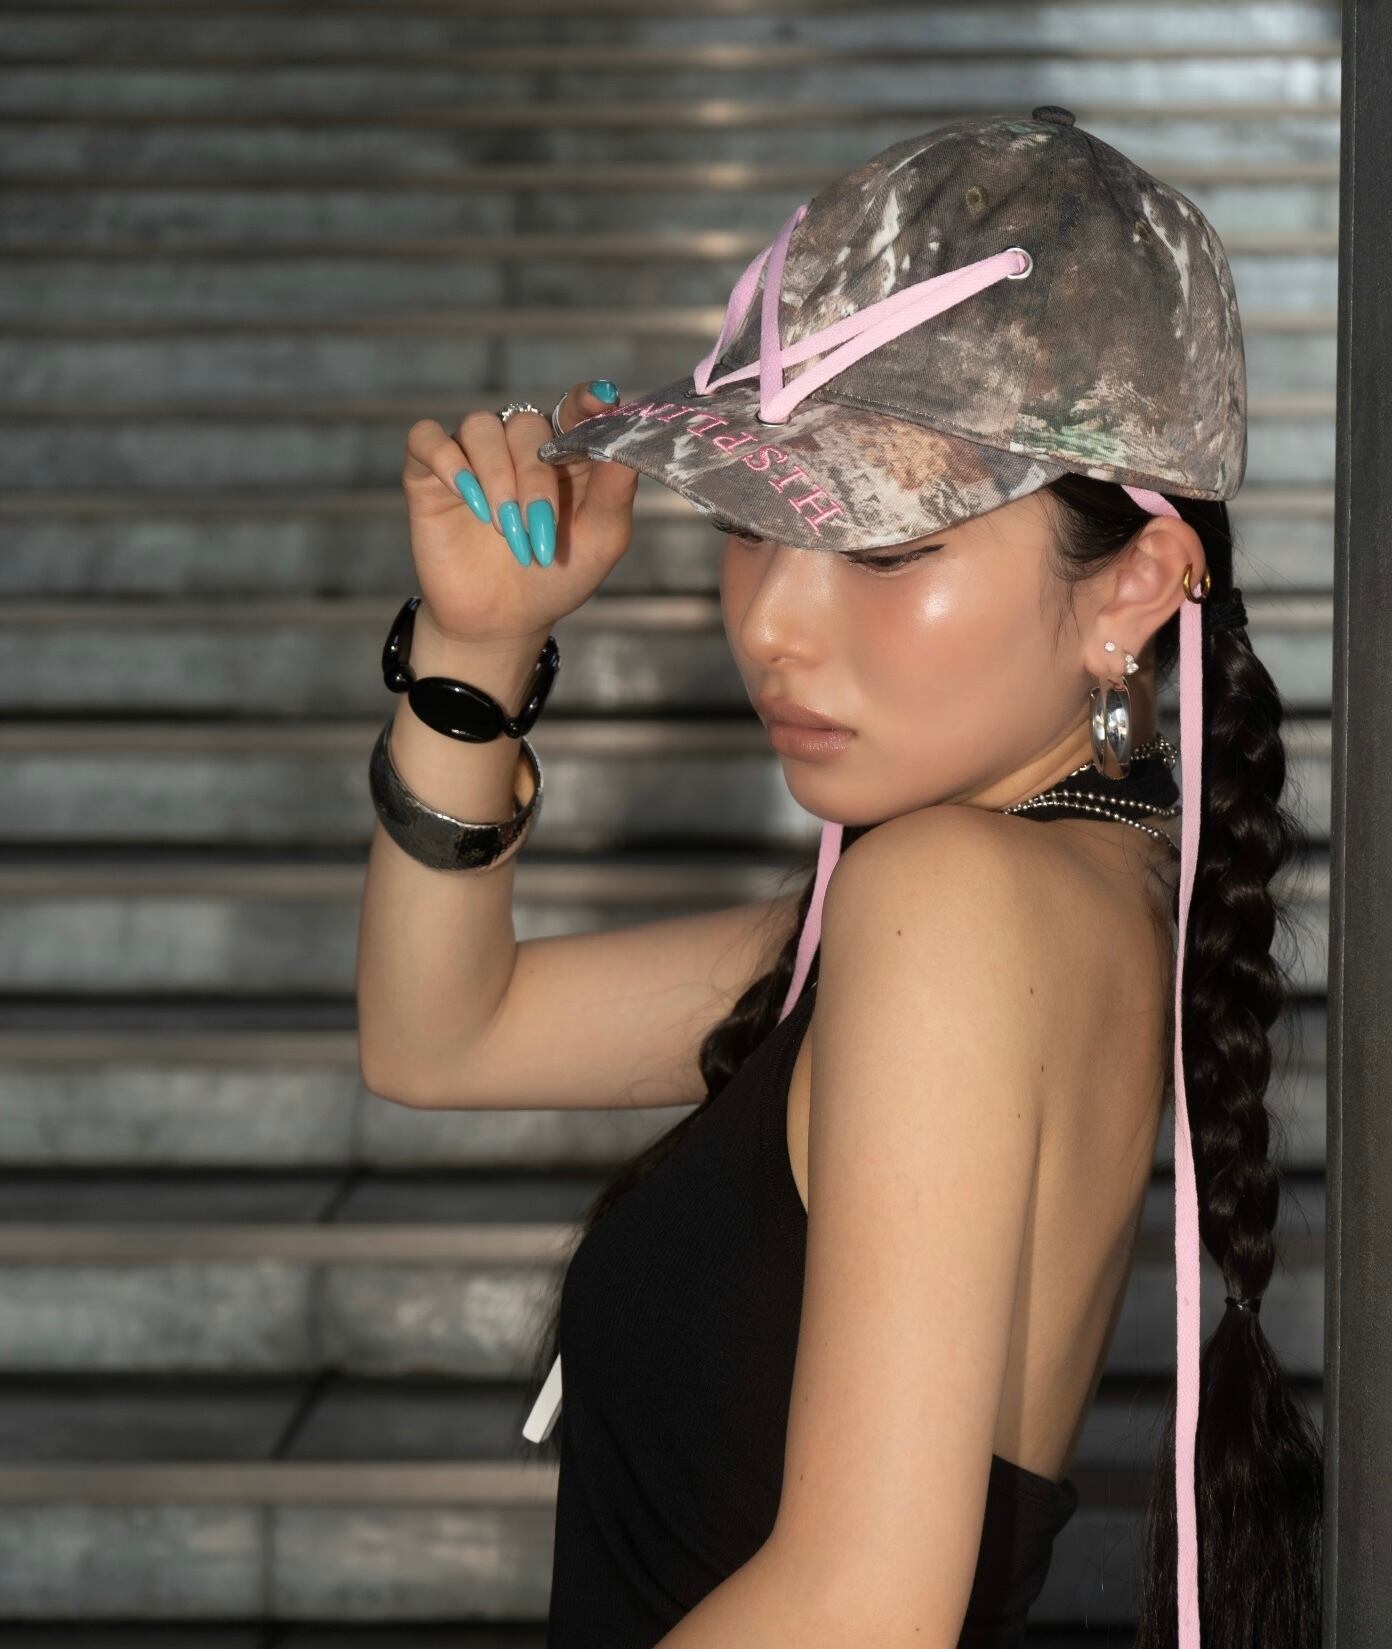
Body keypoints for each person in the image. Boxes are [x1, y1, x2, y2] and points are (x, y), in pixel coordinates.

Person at [356, 108, 1323, 1648]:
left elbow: (863, 1607)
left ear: (1133, 586)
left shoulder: (950, 901)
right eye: (753, 522)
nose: (770, 625)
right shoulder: (1025, 894)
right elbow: (441, 1035)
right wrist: (474, 655)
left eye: (880, 549)